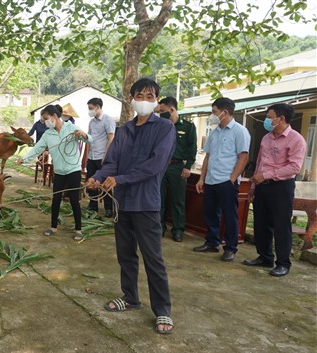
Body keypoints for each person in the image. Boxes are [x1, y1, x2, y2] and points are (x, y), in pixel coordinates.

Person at [85, 78, 176, 335]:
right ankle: (130, 297)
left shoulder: (165, 129)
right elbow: (112, 162)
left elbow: (155, 165)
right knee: (125, 254)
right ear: (131, 98)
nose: (144, 100)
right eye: (140, 95)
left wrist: (119, 179)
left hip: (145, 203)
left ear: (156, 100)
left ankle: (163, 310)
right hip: (121, 203)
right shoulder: (124, 130)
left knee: (153, 258)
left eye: (150, 96)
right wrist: (98, 178)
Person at [243, 104, 306, 277]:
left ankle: (283, 263)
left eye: (269, 116)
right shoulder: (266, 138)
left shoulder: (296, 139)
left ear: (281, 119)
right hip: (262, 186)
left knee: (281, 225)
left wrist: (267, 175)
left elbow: (294, 167)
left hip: (281, 187)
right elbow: (260, 164)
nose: (267, 120)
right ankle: (265, 257)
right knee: (261, 223)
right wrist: (254, 186)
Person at [16, 104, 88, 240]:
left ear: (54, 116)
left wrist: (83, 134)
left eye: (46, 118)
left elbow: (89, 138)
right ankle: (53, 227)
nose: (45, 122)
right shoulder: (48, 134)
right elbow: (37, 149)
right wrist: (24, 159)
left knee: (74, 199)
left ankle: (78, 229)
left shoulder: (71, 128)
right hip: (59, 170)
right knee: (56, 199)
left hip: (73, 170)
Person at [193, 97, 250, 262]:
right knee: (211, 213)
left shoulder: (240, 131)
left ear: (225, 112)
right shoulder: (215, 131)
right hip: (211, 180)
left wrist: (232, 179)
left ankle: (230, 248)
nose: (213, 115)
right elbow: (207, 157)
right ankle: (212, 242)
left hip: (227, 181)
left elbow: (243, 158)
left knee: (230, 215)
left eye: (214, 112)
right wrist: (201, 178)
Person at [157, 96, 197, 242]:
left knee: (177, 200)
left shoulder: (187, 126)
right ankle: (159, 226)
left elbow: (192, 148)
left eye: (162, 110)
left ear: (172, 109)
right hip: (162, 167)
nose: (160, 113)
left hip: (178, 167)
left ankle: (178, 229)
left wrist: (188, 167)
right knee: (158, 199)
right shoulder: (161, 125)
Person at [85, 97, 116, 217]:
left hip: (102, 157)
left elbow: (111, 138)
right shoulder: (92, 122)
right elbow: (89, 139)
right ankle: (93, 206)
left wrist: (106, 156)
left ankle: (109, 208)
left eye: (91, 108)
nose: (90, 111)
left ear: (98, 107)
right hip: (92, 156)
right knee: (92, 182)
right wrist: (87, 155)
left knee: (105, 183)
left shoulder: (108, 120)